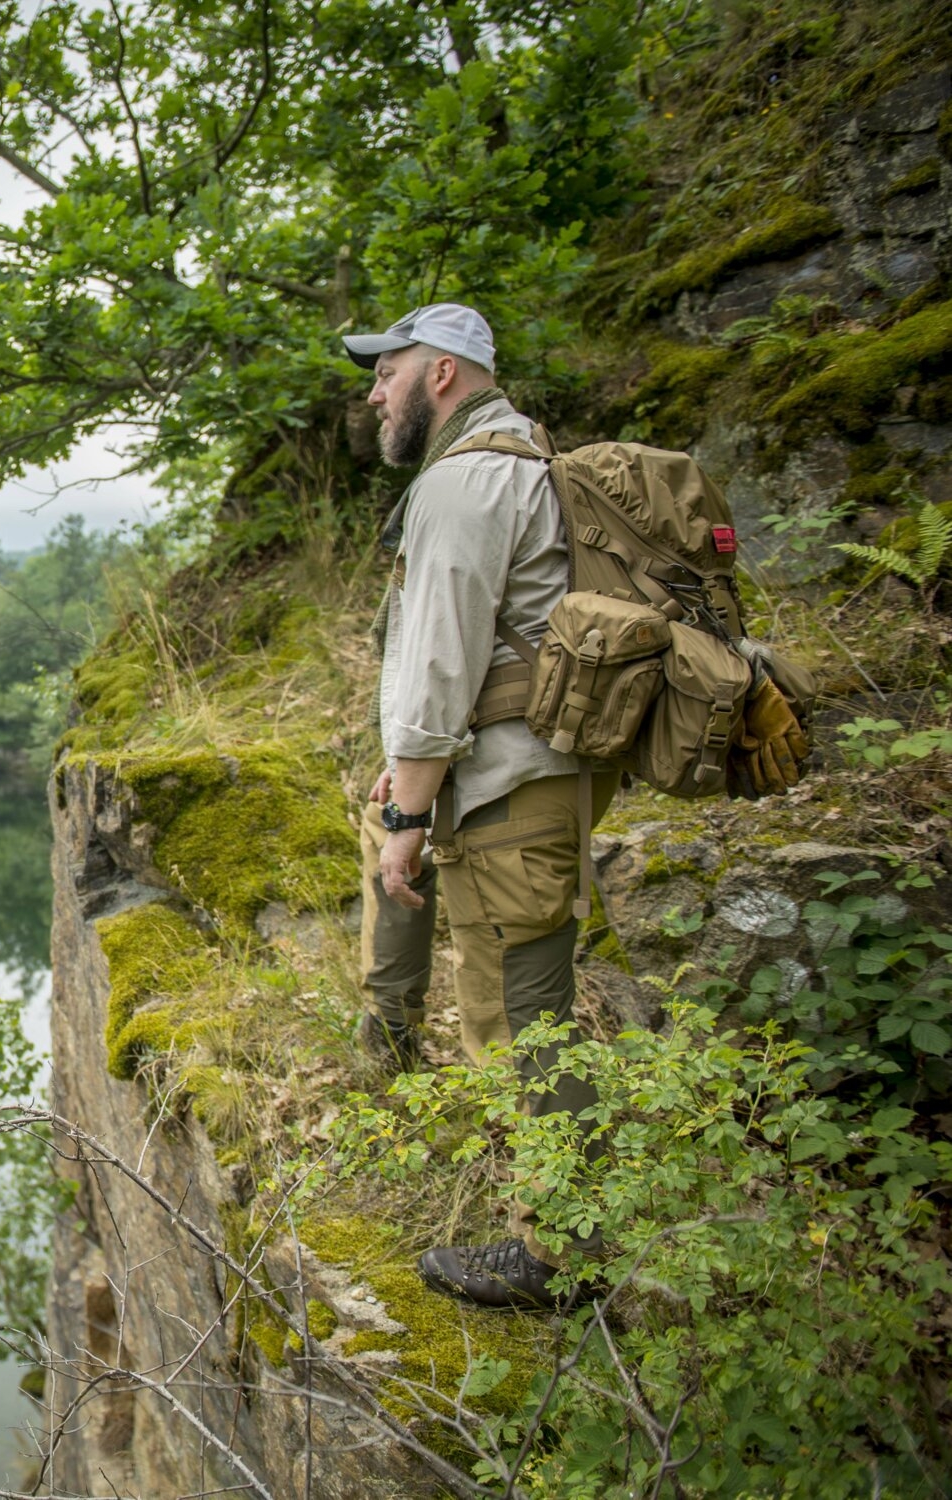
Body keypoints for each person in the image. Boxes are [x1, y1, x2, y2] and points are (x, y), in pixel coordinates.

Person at [344, 304, 611, 1310]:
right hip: (521, 782)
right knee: (520, 1007)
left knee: (519, 1019)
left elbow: (442, 661)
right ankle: (560, 1228)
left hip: (506, 795)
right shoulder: (525, 458)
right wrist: (412, 779)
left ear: (443, 374)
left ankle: (560, 1256)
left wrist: (406, 819)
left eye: (389, 371)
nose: (375, 392)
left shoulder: (460, 482)